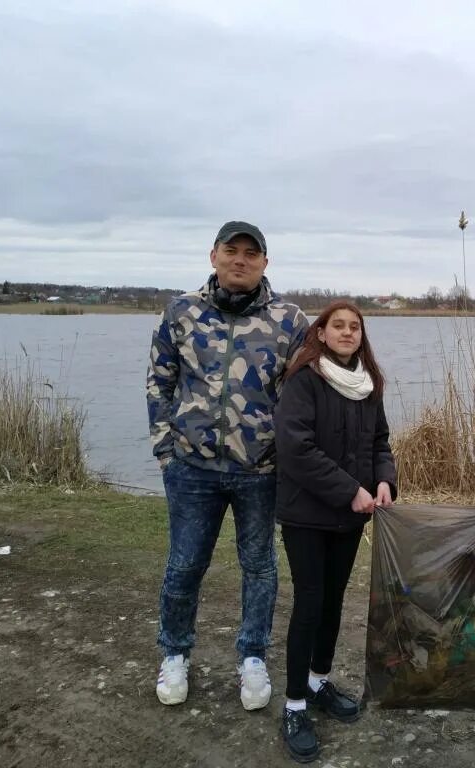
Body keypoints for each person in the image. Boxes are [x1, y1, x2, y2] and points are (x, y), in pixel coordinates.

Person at [146, 220, 309, 711]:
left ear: (265, 262)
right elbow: (160, 380)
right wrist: (164, 449)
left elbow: (302, 396)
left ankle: (252, 657)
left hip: (260, 470)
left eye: (251, 254)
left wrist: (289, 456)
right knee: (185, 564)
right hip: (191, 469)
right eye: (231, 251)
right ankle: (175, 653)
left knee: (259, 566)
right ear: (213, 256)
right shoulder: (182, 312)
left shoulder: (290, 320)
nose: (240, 260)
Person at [272, 300, 397, 763]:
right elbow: (296, 448)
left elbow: (380, 441)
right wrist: (350, 490)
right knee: (309, 603)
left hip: (350, 516)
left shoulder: (369, 386)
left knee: (334, 600)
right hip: (307, 514)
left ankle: (318, 680)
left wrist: (384, 480)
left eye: (354, 327)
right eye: (337, 326)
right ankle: (294, 704)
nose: (347, 333)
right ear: (321, 334)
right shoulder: (305, 380)